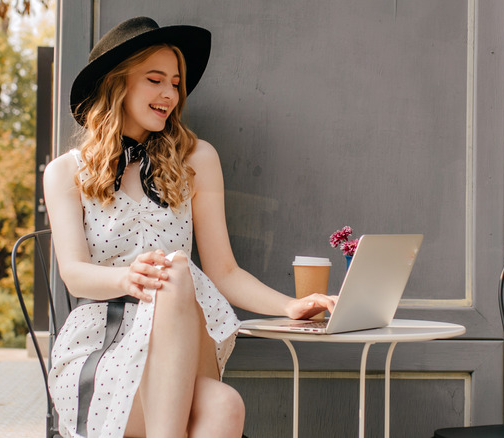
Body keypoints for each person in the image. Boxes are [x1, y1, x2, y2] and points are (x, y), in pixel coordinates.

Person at [43, 16, 338, 438]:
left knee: (223, 399)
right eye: (155, 79)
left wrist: (288, 306)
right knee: (221, 399)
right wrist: (128, 277)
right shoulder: (64, 173)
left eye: (175, 83)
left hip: (183, 339)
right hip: (104, 344)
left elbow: (225, 272)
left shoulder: (197, 160)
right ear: (117, 83)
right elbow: (73, 273)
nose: (169, 94)